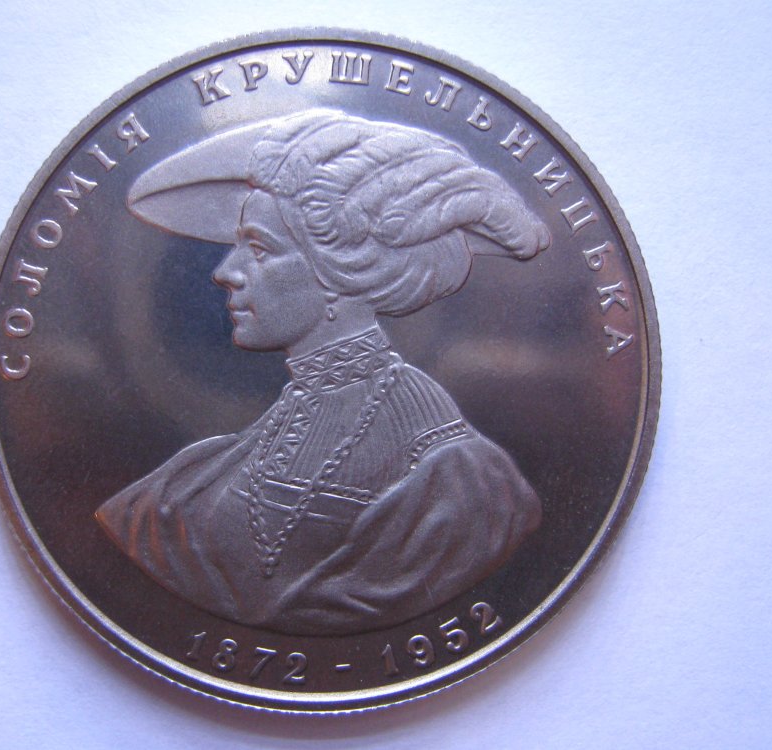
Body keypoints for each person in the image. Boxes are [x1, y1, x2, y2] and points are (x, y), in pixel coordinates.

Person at [95, 110, 549, 635]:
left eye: (259, 248)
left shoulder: (451, 471)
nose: (225, 272)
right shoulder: (233, 451)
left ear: (340, 272)